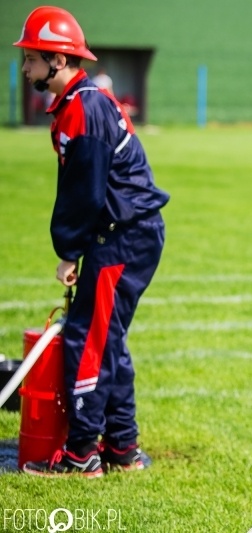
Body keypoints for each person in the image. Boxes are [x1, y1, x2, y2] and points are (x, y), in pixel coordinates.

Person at [13, 6, 169, 478]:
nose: (25, 69)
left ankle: (82, 454)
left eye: (32, 60)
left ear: (58, 61)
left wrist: (68, 250)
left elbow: (85, 190)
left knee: (88, 341)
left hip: (122, 239)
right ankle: (122, 446)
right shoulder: (77, 103)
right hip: (122, 235)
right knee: (107, 340)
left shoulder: (84, 107)